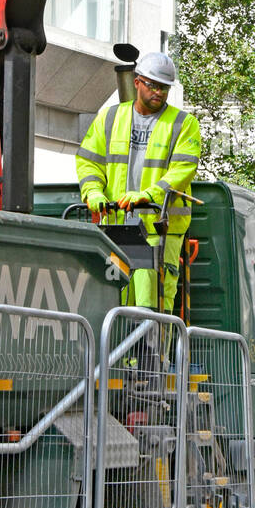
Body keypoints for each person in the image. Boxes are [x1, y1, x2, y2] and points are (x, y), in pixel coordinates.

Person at [75, 51, 201, 312]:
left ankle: (147, 354)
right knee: (111, 300)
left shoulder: (183, 124)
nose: (159, 92)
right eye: (153, 85)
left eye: (164, 88)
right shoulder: (109, 118)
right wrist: (93, 192)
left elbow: (182, 169)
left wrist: (150, 195)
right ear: (137, 82)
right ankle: (114, 354)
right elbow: (89, 161)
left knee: (150, 302)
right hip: (115, 226)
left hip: (158, 228)